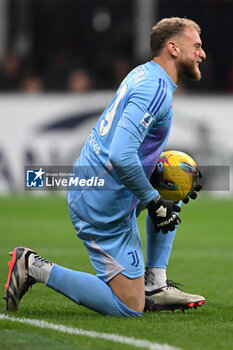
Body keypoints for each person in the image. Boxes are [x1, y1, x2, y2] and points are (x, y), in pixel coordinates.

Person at [4, 17, 206, 316]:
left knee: (176, 178)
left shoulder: (146, 74)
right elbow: (122, 155)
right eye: (197, 46)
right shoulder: (154, 89)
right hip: (102, 200)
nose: (201, 54)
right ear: (173, 48)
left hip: (99, 184)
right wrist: (152, 201)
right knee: (129, 308)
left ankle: (156, 284)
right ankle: (32, 266)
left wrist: (158, 189)